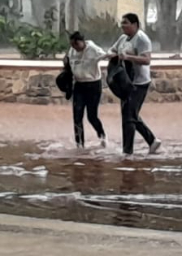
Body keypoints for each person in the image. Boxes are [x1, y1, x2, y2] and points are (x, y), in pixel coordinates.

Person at [109, 13, 161, 156]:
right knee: (129, 114)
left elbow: (147, 60)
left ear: (135, 24)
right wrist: (112, 56)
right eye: (122, 23)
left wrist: (128, 57)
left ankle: (127, 151)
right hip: (125, 82)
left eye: (126, 23)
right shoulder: (123, 38)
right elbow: (112, 50)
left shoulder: (142, 39)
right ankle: (152, 140)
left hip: (139, 83)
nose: (122, 26)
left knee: (129, 116)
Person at [64, 31, 107, 149]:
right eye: (72, 45)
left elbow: (106, 56)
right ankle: (79, 144)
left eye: (76, 45)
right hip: (79, 86)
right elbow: (68, 66)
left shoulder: (93, 49)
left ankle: (102, 135)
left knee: (91, 116)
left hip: (93, 85)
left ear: (82, 42)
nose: (75, 48)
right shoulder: (72, 51)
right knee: (77, 116)